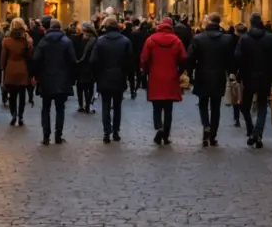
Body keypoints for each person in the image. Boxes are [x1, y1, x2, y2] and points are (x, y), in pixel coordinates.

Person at [234, 12, 272, 149]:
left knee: (245, 106)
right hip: (265, 77)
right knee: (262, 105)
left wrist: (240, 73)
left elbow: (237, 57)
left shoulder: (244, 39)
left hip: (248, 77)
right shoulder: (271, 39)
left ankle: (251, 130)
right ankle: (257, 132)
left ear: (250, 23)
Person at [187, 12, 235, 147]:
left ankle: (206, 125)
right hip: (219, 76)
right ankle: (213, 135)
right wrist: (231, 73)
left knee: (203, 103)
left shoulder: (198, 38)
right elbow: (230, 60)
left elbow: (190, 58)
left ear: (208, 22)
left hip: (202, 75)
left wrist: (189, 73)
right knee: (216, 106)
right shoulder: (226, 40)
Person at [141, 17, 186, 145]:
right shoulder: (176, 41)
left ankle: (158, 127)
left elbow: (144, 59)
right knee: (168, 108)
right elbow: (183, 57)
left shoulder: (151, 40)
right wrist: (180, 71)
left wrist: (145, 72)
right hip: (171, 76)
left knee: (156, 106)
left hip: (155, 76)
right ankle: (166, 135)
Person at [32, 19, 77, 144]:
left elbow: (36, 59)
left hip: (45, 79)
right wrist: (71, 77)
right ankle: (58, 136)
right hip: (62, 79)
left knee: (46, 107)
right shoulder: (66, 41)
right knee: (60, 108)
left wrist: (36, 75)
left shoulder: (43, 41)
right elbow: (73, 60)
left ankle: (46, 136)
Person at [90, 16, 133, 143]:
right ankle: (116, 131)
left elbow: (93, 60)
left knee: (106, 105)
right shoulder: (125, 41)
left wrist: (96, 76)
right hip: (119, 77)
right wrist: (126, 75)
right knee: (117, 106)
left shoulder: (100, 41)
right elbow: (130, 61)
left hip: (104, 77)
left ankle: (106, 132)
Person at [1, 17, 33, 126]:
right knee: (22, 95)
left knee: (12, 94)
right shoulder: (26, 40)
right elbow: (29, 56)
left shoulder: (6, 41)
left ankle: (13, 114)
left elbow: (3, 58)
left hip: (10, 68)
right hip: (22, 68)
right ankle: (21, 116)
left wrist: (2, 68)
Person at [76, 22, 97, 113]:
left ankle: (81, 105)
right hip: (90, 66)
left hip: (81, 65)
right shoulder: (94, 40)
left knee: (80, 86)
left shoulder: (79, 39)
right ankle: (87, 104)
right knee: (89, 87)